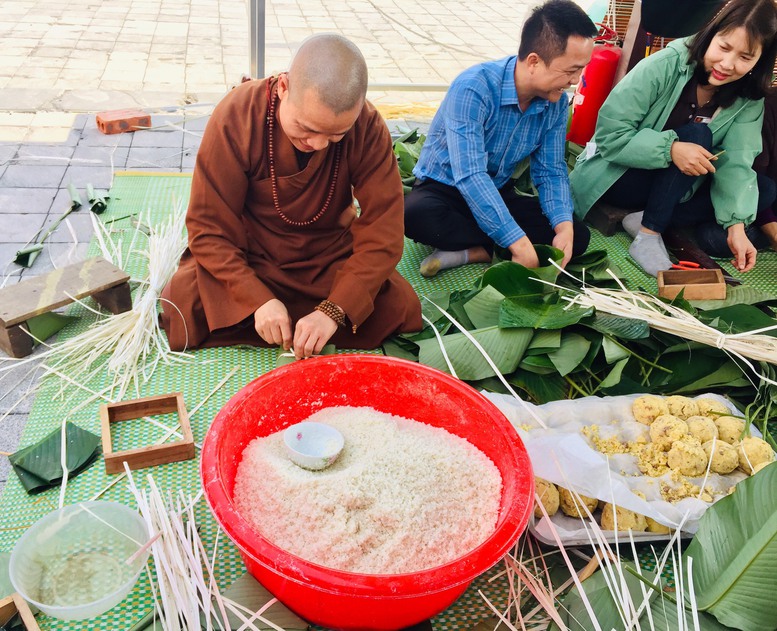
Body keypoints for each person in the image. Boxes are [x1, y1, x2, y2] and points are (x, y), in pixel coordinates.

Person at [161, 34, 422, 358]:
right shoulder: (237, 115)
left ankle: (301, 316)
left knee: (397, 306)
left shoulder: (367, 127)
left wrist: (334, 309)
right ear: (283, 87)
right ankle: (267, 312)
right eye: (307, 128)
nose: (319, 144)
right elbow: (208, 226)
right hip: (253, 253)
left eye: (335, 135)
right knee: (183, 303)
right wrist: (256, 299)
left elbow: (384, 233)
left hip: (326, 255)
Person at [570, 0, 777, 277]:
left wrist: (737, 226)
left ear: (759, 60)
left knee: (762, 190)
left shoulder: (748, 98)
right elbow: (611, 135)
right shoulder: (668, 63)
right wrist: (671, 150)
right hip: (620, 175)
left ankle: (644, 218)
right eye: (724, 47)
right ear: (711, 34)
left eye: (745, 57)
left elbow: (737, 162)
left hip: (678, 187)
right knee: (698, 135)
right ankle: (648, 233)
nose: (727, 64)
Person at [404, 0, 598, 278]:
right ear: (534, 61)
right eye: (570, 70)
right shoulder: (473, 88)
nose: (576, 80)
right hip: (446, 190)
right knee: (415, 215)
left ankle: (473, 252)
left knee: (577, 236)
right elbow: (470, 175)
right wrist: (517, 242)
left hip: (496, 191)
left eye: (581, 69)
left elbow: (551, 171)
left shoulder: (555, 103)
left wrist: (563, 226)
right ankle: (499, 247)